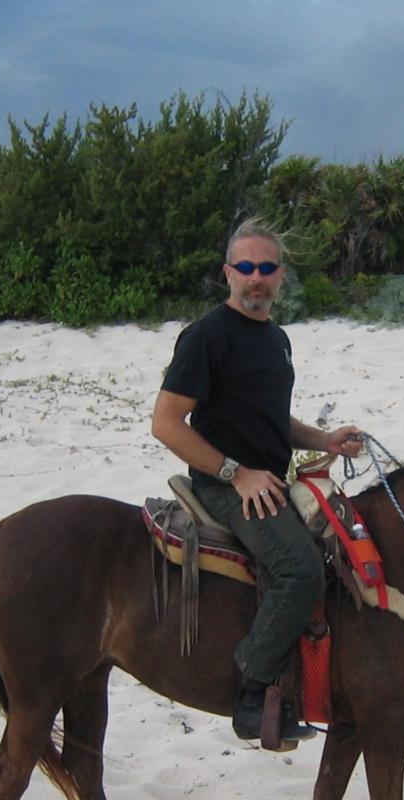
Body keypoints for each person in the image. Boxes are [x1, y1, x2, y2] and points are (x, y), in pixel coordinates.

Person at [152, 218, 363, 744]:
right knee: (300, 571)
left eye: (266, 268)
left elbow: (273, 419)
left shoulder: (277, 339)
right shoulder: (206, 337)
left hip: (266, 477)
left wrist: (325, 440)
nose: (256, 278)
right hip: (225, 487)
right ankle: (251, 692)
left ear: (280, 276)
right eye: (245, 267)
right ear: (228, 273)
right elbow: (165, 423)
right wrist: (235, 473)